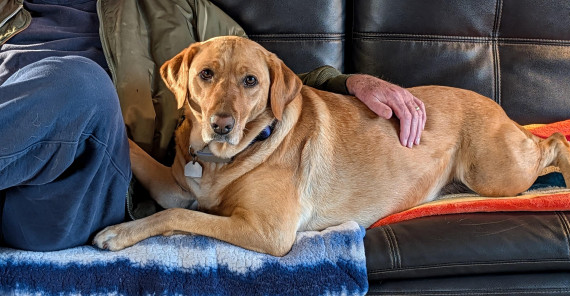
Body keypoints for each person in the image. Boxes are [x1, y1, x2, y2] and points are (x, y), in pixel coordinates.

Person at [0, 0, 425, 251]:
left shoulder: (176, 7)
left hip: (78, 186)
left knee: (78, 81)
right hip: (10, 181)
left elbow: (256, 75)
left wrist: (348, 82)